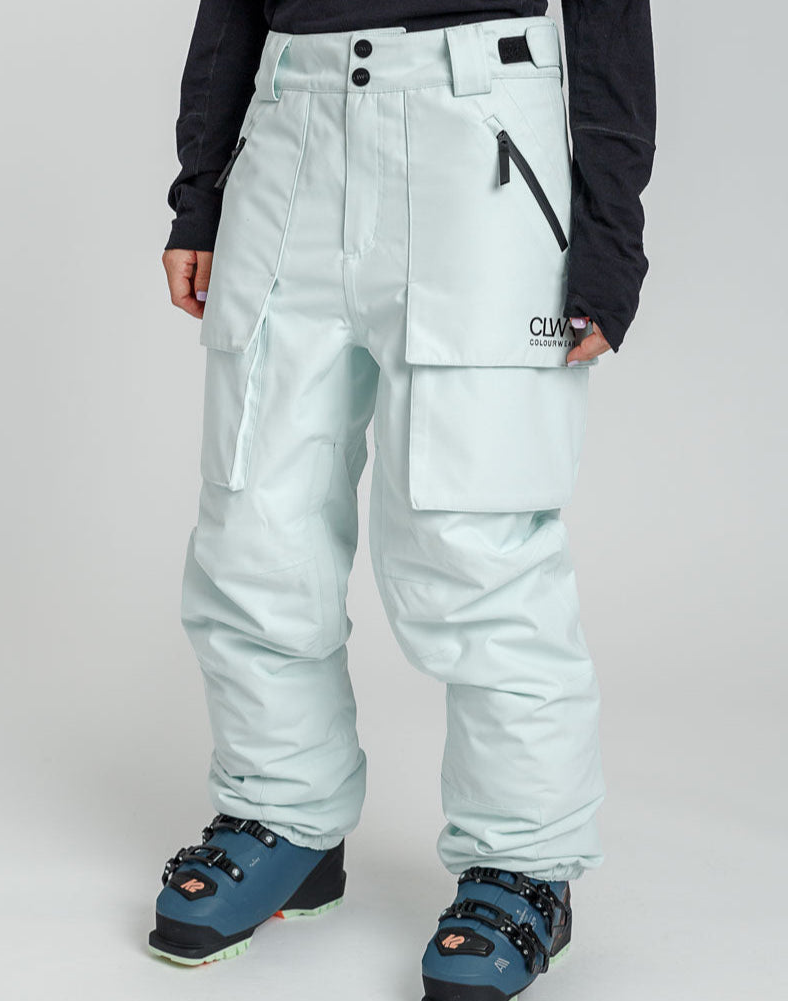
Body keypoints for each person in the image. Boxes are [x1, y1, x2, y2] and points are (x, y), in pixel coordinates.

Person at [151, 2, 656, 998]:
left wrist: (610, 230)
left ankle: (524, 860)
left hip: (480, 137)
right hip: (286, 123)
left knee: (471, 537)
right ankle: (284, 810)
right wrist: (199, 193)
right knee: (253, 523)